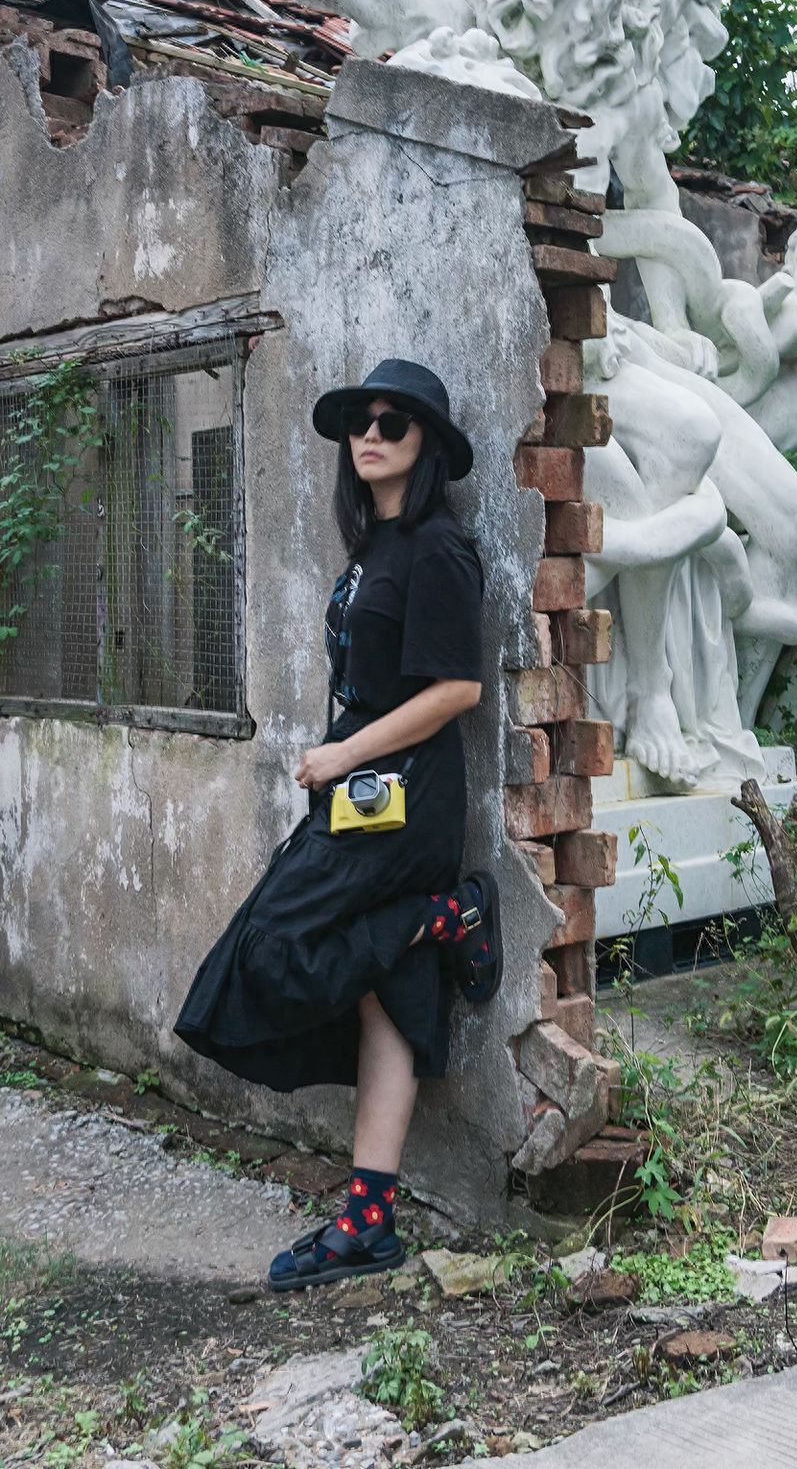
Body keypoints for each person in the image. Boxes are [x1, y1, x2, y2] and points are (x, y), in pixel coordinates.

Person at [173, 358, 502, 1291]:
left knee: (267, 948)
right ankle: (368, 1220)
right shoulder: (374, 551)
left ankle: (444, 916)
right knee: (386, 996)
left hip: (401, 800)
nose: (371, 432)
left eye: (394, 422)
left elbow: (458, 690)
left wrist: (341, 757)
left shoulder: (438, 547)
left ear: (426, 446)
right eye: (362, 417)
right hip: (361, 799)